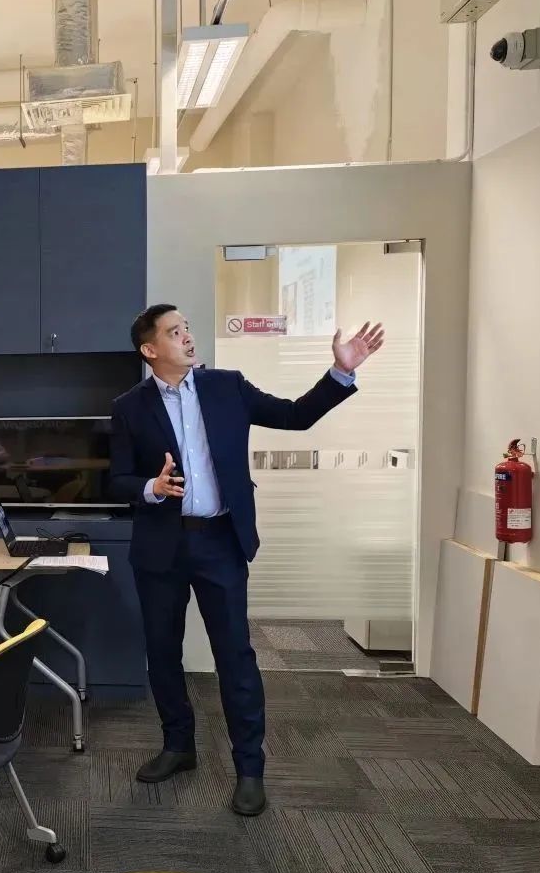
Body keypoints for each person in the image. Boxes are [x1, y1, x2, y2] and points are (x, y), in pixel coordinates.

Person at [109, 304, 383, 817]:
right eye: (174, 332)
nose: (187, 337)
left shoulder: (226, 387)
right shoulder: (128, 407)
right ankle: (178, 746)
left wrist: (341, 371)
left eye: (187, 328)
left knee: (235, 656)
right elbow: (117, 479)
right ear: (150, 349)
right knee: (163, 654)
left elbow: (295, 416)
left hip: (220, 542)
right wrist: (151, 486)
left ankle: (250, 768)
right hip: (161, 547)